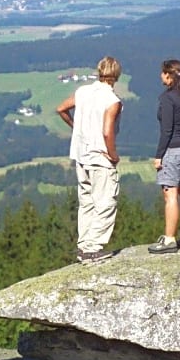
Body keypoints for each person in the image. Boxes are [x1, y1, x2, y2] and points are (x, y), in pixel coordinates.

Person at [56, 56, 123, 263]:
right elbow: (106, 132)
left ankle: (84, 244)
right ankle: (93, 248)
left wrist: (77, 127)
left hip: (80, 154)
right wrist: (113, 155)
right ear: (116, 76)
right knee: (106, 202)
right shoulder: (113, 101)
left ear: (99, 71)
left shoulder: (83, 92)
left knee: (86, 202)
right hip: (100, 157)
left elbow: (61, 109)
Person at [149, 58, 180, 254]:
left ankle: (169, 240)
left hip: (172, 150)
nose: (161, 76)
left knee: (170, 196)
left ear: (168, 75)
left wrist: (159, 155)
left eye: (162, 73)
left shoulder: (167, 98)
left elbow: (166, 130)